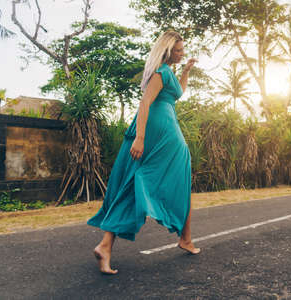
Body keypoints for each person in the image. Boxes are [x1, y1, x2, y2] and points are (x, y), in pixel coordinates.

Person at [87, 30, 200, 275]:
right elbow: (145, 103)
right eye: (178, 51)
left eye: (182, 50)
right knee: (178, 179)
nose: (182, 54)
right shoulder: (160, 72)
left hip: (165, 129)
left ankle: (105, 245)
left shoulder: (169, 72)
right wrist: (139, 138)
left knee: (135, 183)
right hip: (159, 133)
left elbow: (176, 94)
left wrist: (187, 71)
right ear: (167, 51)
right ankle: (185, 238)